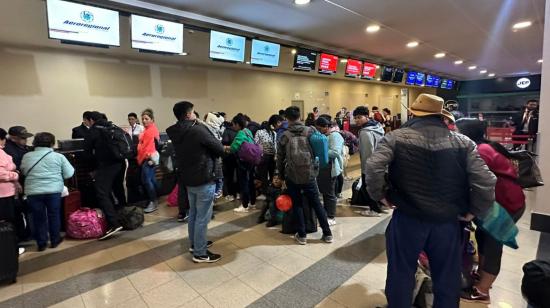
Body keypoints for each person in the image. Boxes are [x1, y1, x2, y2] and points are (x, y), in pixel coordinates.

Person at [365, 94, 496, 308]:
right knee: (447, 276)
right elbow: (487, 181)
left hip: (407, 218)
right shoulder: (463, 142)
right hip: (447, 221)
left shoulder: (396, 137)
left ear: (413, 113)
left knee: (400, 272)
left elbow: (373, 167)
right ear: (441, 115)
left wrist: (381, 195)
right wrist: (475, 210)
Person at [456, 118, 526, 304]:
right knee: (483, 238)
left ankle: (482, 291)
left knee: (493, 245)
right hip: (499, 203)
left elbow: (477, 182)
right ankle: (481, 276)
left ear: (465, 134)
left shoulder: (480, 151)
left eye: (456, 131)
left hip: (506, 204)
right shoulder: (483, 147)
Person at [166, 101, 224, 263]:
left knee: (193, 214)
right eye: (193, 112)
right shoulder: (198, 130)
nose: (195, 114)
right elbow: (218, 148)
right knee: (202, 218)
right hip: (204, 177)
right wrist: (205, 126)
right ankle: (200, 253)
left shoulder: (176, 131)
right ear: (187, 115)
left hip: (188, 179)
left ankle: (195, 244)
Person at [277, 106, 333, 245]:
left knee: (297, 204)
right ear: (299, 116)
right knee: (316, 203)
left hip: (292, 175)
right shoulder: (310, 131)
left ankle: (302, 235)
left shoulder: (285, 135)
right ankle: (327, 234)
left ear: (286, 118)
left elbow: (280, 158)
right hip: (309, 174)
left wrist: (282, 176)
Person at [21, 132, 74, 251]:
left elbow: (24, 171)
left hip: (33, 191)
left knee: (38, 217)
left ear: (35, 143)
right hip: (53, 190)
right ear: (52, 143)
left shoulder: (27, 156)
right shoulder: (58, 156)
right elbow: (69, 173)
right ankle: (55, 240)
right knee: (54, 215)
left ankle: (41, 243)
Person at [83, 112, 126, 240]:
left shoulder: (93, 131)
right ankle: (124, 217)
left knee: (102, 192)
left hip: (106, 166)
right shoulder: (113, 127)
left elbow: (87, 154)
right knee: (118, 189)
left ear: (91, 120)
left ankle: (113, 223)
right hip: (121, 163)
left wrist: (92, 169)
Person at [353, 106, 385, 216]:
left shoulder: (365, 132)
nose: (356, 120)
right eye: (355, 118)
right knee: (379, 186)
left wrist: (366, 169)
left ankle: (374, 210)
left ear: (366, 116)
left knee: (369, 188)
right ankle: (380, 206)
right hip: (381, 162)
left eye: (359, 117)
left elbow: (367, 152)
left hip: (370, 165)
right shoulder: (378, 127)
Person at [315, 116, 344, 226]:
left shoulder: (335, 136)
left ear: (326, 127)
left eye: (319, 128)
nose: (318, 130)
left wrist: (319, 152)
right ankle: (327, 213)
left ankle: (331, 216)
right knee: (325, 192)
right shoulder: (326, 135)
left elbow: (335, 152)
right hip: (324, 167)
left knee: (329, 193)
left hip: (330, 168)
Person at [227, 114, 256, 213]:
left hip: (243, 161)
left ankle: (245, 205)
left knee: (244, 183)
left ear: (238, 124)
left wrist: (227, 148)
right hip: (251, 160)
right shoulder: (248, 131)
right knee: (251, 182)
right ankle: (252, 203)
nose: (233, 126)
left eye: (234, 124)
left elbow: (234, 147)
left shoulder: (240, 133)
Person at [137, 108, 160, 214]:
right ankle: (154, 199)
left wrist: (150, 158)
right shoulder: (147, 130)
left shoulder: (151, 130)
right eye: (143, 119)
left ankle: (153, 201)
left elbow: (150, 146)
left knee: (147, 180)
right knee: (151, 180)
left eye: (146, 119)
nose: (144, 121)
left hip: (149, 158)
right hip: (147, 158)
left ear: (152, 119)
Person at [254, 115, 282, 198]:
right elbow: (275, 146)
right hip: (272, 157)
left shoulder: (259, 132)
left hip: (263, 157)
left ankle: (265, 192)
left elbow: (256, 144)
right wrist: (276, 155)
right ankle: (271, 192)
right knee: (272, 175)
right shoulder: (274, 133)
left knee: (263, 175)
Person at [0, 128, 19, 231]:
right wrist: (15, 175)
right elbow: (1, 174)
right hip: (4, 194)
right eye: (4, 138)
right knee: (7, 223)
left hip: (4, 193)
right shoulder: (0, 153)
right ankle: (9, 245)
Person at [204, 112, 225, 199]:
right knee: (217, 178)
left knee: (215, 179)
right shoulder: (210, 131)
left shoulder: (207, 131)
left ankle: (214, 195)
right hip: (213, 160)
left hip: (210, 161)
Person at [221, 120, 239, 201]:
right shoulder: (239, 132)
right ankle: (236, 193)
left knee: (228, 176)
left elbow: (224, 142)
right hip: (237, 156)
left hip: (228, 157)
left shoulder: (227, 131)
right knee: (236, 176)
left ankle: (228, 194)